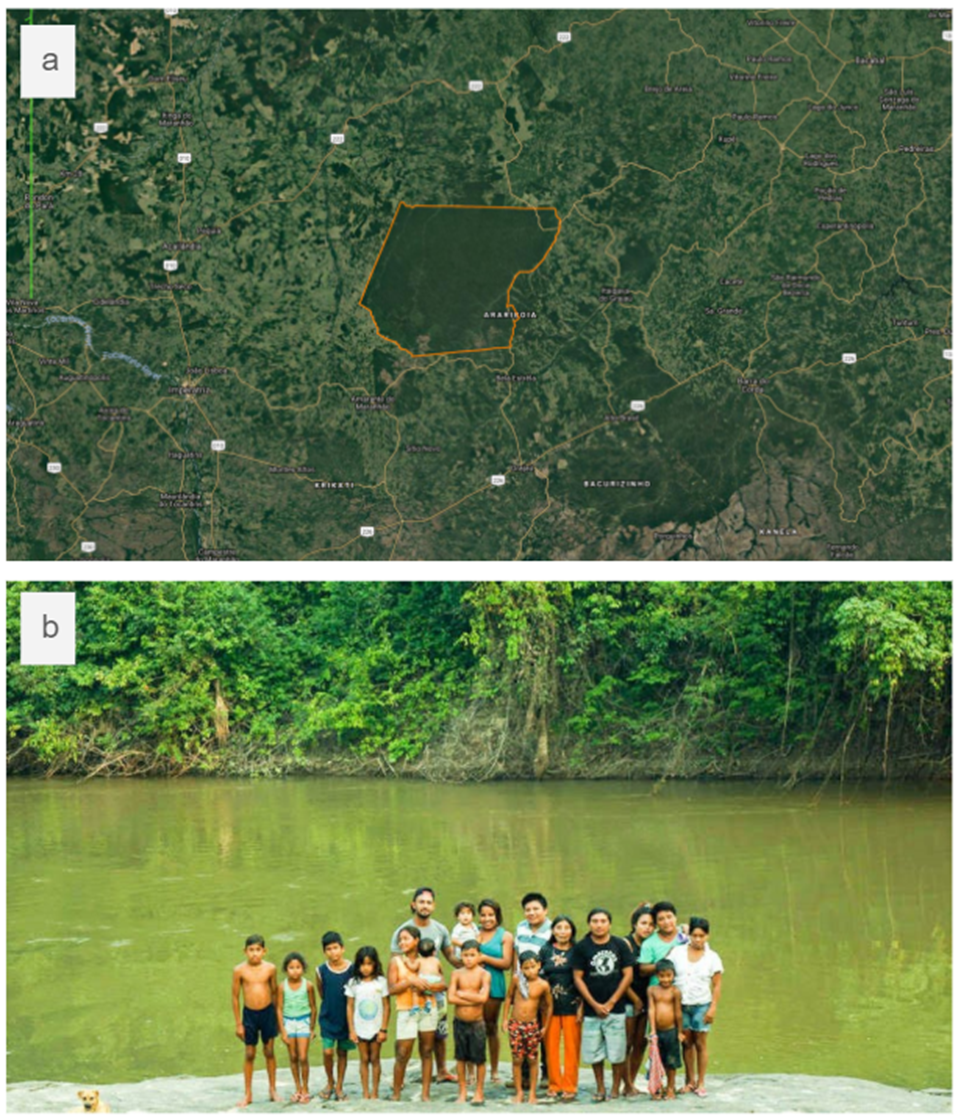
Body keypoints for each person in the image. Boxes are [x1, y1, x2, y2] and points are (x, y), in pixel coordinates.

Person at [389, 886, 458, 1084]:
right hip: (410, 992)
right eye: (421, 902)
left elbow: (450, 956)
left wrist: (468, 964)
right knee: (407, 1036)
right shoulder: (402, 932)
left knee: (440, 1031)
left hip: (434, 987)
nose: (425, 906)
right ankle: (400, 1076)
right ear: (414, 904)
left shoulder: (440, 929)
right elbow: (396, 963)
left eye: (429, 902)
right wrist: (409, 981)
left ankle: (442, 1069)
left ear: (433, 905)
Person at [571, 907, 635, 1101]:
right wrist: (594, 1004)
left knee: (617, 1051)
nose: (599, 925)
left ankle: (615, 1087)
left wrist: (611, 1001)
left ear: (609, 923)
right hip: (592, 1010)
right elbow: (578, 978)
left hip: (616, 1008)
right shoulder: (582, 947)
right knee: (593, 1052)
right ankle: (600, 1087)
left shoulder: (620, 945)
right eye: (595, 921)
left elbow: (628, 975)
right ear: (589, 924)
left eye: (603, 921)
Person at [667, 917, 723, 1099]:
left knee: (701, 1043)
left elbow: (717, 985)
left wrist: (713, 1008)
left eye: (702, 936)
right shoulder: (677, 952)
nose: (698, 939)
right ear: (689, 935)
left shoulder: (712, 957)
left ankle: (701, 1083)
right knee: (687, 1043)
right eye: (694, 935)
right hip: (681, 1005)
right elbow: (666, 970)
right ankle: (689, 1081)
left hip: (702, 1004)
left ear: (707, 936)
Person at [388, 925, 437, 1102]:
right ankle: (396, 1092)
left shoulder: (429, 959)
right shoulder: (396, 961)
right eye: (400, 939)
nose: (402, 942)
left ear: (417, 940)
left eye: (406, 938)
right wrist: (410, 981)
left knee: (426, 1050)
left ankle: (425, 1094)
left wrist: (429, 985)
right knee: (402, 1052)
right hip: (406, 1010)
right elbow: (391, 988)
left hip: (428, 1008)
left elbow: (441, 982)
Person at [231, 934, 280, 1107]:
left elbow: (275, 993)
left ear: (264, 951)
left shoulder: (270, 969)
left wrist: (277, 1018)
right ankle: (248, 1094)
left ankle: (273, 1089)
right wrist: (238, 1024)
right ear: (245, 951)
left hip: (267, 1013)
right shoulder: (239, 970)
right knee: (250, 1053)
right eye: (251, 950)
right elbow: (235, 997)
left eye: (258, 950)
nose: (254, 954)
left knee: (269, 1051)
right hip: (249, 1015)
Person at [538, 914, 582, 1101]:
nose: (562, 932)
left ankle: (570, 1085)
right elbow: (538, 975)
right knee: (551, 1046)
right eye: (558, 928)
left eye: (566, 928)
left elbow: (583, 978)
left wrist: (582, 1005)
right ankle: (554, 1084)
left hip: (573, 1004)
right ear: (553, 930)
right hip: (549, 1006)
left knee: (572, 1047)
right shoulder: (546, 950)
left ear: (572, 930)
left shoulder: (579, 950)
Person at [503, 952, 553, 1104]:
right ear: (521, 969)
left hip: (532, 1025)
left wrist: (545, 1026)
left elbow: (549, 1006)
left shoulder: (543, 985)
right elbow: (509, 998)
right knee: (517, 1059)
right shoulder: (517, 980)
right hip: (516, 1024)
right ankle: (519, 1092)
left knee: (532, 1059)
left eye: (533, 967)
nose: (530, 971)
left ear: (539, 965)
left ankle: (532, 1093)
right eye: (526, 968)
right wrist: (505, 1019)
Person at [514, 893, 552, 1087]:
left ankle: (546, 1073)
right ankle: (523, 1075)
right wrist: (515, 977)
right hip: (522, 983)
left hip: (542, 982)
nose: (532, 913)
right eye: (528, 909)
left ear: (545, 910)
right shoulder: (520, 927)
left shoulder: (553, 929)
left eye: (536, 909)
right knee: (522, 1027)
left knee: (541, 1027)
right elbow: (516, 954)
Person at [448, 940, 492, 1104]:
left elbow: (483, 998)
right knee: (460, 1058)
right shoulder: (457, 974)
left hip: (477, 1023)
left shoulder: (484, 974)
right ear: (461, 955)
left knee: (479, 1059)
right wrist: (472, 997)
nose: (468, 959)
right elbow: (451, 998)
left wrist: (463, 995)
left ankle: (479, 1091)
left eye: (472, 955)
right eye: (465, 955)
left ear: (479, 956)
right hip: (460, 1022)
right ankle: (462, 1091)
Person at [476, 898, 514, 1085]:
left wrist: (483, 957)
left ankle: (494, 1069)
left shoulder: (505, 935)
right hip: (473, 984)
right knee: (474, 1027)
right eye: (483, 915)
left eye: (490, 915)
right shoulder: (473, 933)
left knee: (490, 1026)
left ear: (497, 916)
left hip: (494, 984)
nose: (486, 919)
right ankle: (475, 1068)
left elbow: (506, 963)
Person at [345, 946, 390, 1100]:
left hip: (377, 1027)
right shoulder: (353, 983)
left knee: (375, 1058)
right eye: (362, 964)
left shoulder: (381, 982)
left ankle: (375, 1092)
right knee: (364, 1058)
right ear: (358, 965)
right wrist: (351, 1030)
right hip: (360, 1027)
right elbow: (350, 1006)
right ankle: (365, 1092)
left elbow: (386, 1006)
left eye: (369, 964)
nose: (365, 968)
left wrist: (384, 1029)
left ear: (375, 964)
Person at [315, 931, 354, 1101]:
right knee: (328, 1051)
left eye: (336, 948)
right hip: (328, 1017)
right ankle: (330, 1081)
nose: (333, 952)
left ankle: (339, 1085)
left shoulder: (352, 969)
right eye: (329, 949)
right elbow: (322, 992)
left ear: (343, 948)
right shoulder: (321, 970)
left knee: (343, 1052)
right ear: (325, 952)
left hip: (346, 1019)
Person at [277, 951, 317, 1104]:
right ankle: (298, 1088)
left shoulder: (308, 986)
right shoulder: (282, 987)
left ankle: (306, 1088)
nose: (295, 970)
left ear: (303, 968)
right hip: (288, 1023)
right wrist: (283, 1030)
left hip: (303, 1023)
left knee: (302, 1057)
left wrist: (312, 1028)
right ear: (286, 969)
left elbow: (313, 1007)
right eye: (291, 967)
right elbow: (279, 1009)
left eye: (298, 967)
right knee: (293, 1057)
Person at [624, 905, 655, 1095]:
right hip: (629, 998)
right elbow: (620, 978)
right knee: (626, 1043)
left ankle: (631, 1083)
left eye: (652, 924)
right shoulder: (626, 944)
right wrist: (635, 999)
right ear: (634, 924)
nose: (648, 928)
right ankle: (624, 1082)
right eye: (643, 923)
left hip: (648, 999)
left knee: (641, 1043)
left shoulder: (653, 944)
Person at [647, 959, 685, 1100]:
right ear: (657, 976)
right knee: (657, 1061)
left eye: (669, 976)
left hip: (671, 1030)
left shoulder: (675, 991)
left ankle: (670, 1087)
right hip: (658, 1032)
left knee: (671, 1061)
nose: (665, 979)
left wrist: (680, 1031)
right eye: (662, 976)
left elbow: (678, 1013)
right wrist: (652, 1030)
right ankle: (658, 1087)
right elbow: (651, 1009)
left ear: (673, 975)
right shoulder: (652, 990)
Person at [638, 900, 688, 980]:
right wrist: (665, 960)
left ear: (675, 917)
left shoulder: (685, 934)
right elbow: (643, 970)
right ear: (656, 923)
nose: (666, 922)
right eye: (661, 919)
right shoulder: (649, 943)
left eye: (669, 917)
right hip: (659, 989)